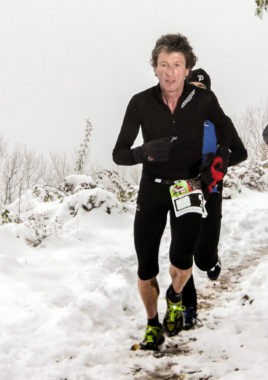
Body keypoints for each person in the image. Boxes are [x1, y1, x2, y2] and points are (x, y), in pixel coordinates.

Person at [112, 33, 234, 350]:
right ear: (155, 68)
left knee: (182, 261)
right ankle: (153, 324)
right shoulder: (140, 103)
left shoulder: (204, 100)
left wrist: (217, 162)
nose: (170, 72)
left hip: (188, 185)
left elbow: (226, 132)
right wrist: (144, 152)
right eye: (164, 64)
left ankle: (176, 297)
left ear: (187, 68)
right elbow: (119, 153)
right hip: (152, 188)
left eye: (177, 65)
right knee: (146, 266)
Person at [181, 68, 248, 330]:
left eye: (202, 88)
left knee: (202, 258)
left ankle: (211, 259)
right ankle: (188, 309)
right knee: (183, 253)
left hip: (212, 193)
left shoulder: (222, 122)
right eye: (193, 87)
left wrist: (219, 164)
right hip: (185, 192)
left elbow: (241, 153)